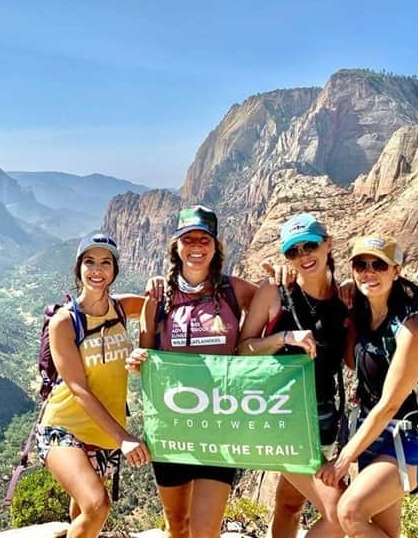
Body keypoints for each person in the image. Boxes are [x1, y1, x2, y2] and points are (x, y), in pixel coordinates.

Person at [126, 205, 258, 538]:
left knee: (204, 531)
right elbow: (147, 361)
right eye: (188, 239)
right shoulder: (159, 296)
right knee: (177, 526)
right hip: (172, 424)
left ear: (216, 246)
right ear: (176, 246)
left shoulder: (234, 289)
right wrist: (137, 359)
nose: (196, 246)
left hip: (220, 423)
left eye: (204, 239)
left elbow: (279, 304)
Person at [317, 235, 418, 538]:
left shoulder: (413, 325)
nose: (369, 272)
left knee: (350, 512)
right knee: (384, 530)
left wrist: (343, 459)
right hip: (373, 432)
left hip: (413, 438)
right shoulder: (364, 314)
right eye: (361, 265)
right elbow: (351, 362)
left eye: (379, 265)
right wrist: (348, 310)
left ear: (396, 271)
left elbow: (389, 403)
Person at [238, 213, 352, 538]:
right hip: (282, 417)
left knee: (290, 503)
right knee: (341, 511)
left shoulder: (344, 299)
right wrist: (284, 338)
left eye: (310, 246)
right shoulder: (275, 294)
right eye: (293, 251)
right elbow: (243, 350)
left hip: (324, 418)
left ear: (327, 245)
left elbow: (351, 359)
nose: (303, 256)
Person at [37, 233, 151, 538]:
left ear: (114, 269)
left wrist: (148, 351)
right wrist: (124, 437)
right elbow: (78, 388)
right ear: (79, 268)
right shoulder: (65, 321)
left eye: (105, 262)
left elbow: (160, 309)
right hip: (64, 427)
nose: (97, 269)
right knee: (98, 505)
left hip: (104, 434)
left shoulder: (124, 308)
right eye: (89, 262)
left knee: (82, 513)